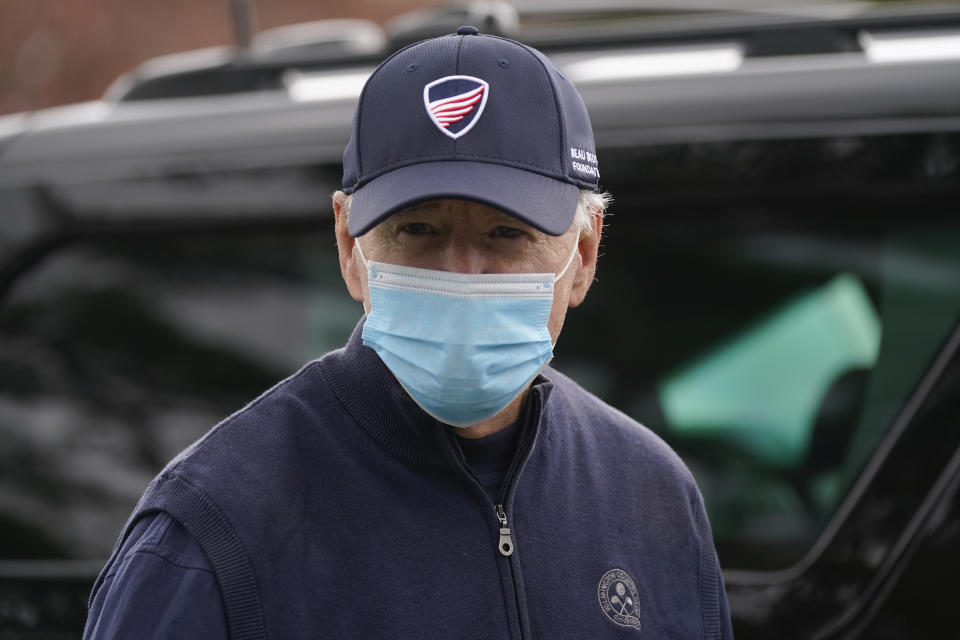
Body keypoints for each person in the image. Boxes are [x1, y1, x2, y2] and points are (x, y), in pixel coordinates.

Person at [83, 27, 733, 639]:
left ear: (583, 255)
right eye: (418, 230)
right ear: (349, 244)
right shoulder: (215, 531)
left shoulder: (652, 496)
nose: (462, 274)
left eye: (507, 233)